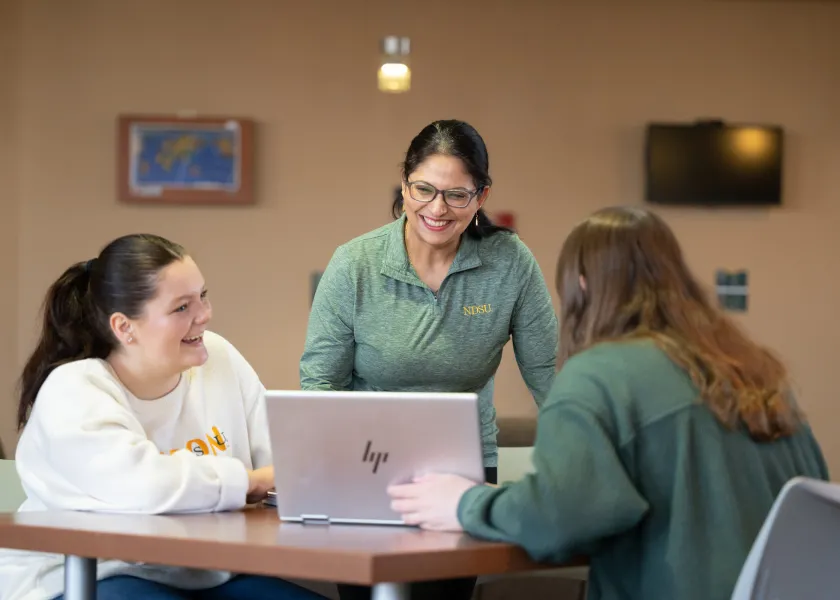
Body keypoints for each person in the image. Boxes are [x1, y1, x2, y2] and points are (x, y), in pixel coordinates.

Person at [386, 206, 830, 600]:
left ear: (581, 284)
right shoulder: (756, 374)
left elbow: (558, 521)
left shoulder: (599, 378)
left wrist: (464, 504)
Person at [299, 119, 558, 600]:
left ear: (481, 196)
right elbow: (320, 386)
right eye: (424, 189)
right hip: (364, 465)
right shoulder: (355, 263)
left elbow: (548, 373)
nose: (437, 209)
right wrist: (319, 480)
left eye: (457, 195)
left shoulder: (510, 262)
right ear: (404, 185)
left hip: (464, 470)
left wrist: (589, 453)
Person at [0, 234, 326, 600]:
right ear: (124, 327)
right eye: (181, 308)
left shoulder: (218, 357)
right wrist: (250, 481)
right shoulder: (74, 388)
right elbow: (143, 485)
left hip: (203, 572)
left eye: (202, 296)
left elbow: (286, 457)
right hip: (87, 573)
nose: (204, 315)